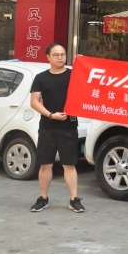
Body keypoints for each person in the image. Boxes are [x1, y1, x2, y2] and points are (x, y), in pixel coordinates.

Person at [29, 43, 85, 213]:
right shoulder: (41, 78)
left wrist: (84, 64)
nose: (60, 58)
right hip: (47, 126)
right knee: (45, 165)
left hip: (69, 126)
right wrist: (51, 115)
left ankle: (74, 199)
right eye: (56, 55)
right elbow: (34, 102)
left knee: (69, 164)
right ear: (48, 57)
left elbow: (87, 86)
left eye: (62, 54)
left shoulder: (73, 75)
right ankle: (43, 198)